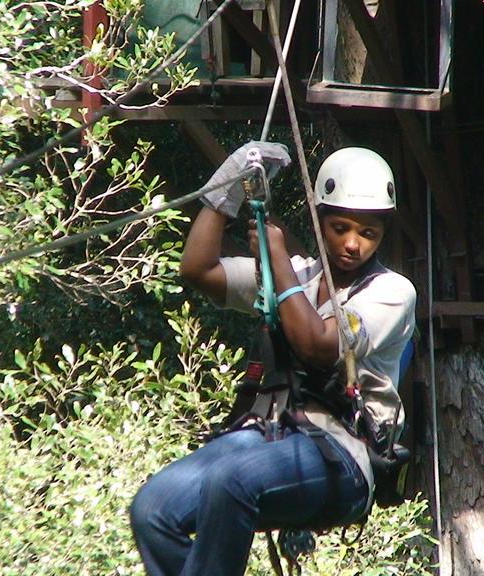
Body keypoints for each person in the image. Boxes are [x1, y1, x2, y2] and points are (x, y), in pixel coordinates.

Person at [129, 142, 417, 576]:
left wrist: (276, 256)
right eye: (340, 228)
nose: (354, 244)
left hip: (342, 453)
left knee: (233, 480)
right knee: (153, 508)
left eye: (369, 234)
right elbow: (198, 269)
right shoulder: (298, 273)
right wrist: (224, 191)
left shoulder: (392, 293)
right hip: (266, 435)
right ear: (319, 221)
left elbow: (318, 345)